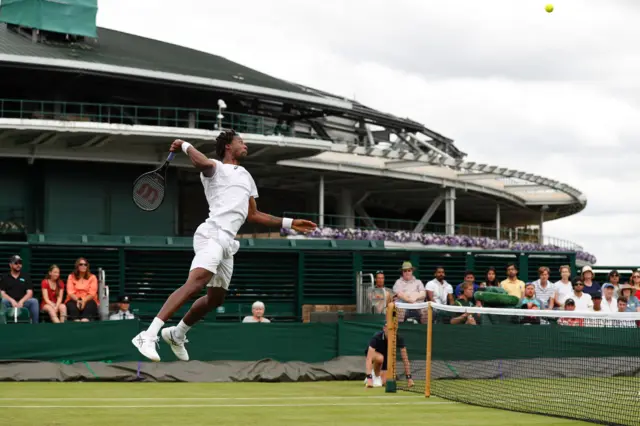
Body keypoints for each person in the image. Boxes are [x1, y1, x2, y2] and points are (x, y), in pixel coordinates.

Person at [132, 130, 316, 362]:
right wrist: (186, 145)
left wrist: (290, 223)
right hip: (212, 235)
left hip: (228, 242)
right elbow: (202, 162)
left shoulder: (246, 176)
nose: (245, 144)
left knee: (216, 298)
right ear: (228, 147)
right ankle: (147, 335)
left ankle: (177, 334)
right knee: (196, 281)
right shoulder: (215, 168)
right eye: (240, 141)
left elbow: (253, 214)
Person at [364, 323, 413, 388]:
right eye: (389, 329)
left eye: (394, 329)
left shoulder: (399, 338)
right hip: (374, 355)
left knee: (385, 382)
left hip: (386, 357)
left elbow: (405, 358)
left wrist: (409, 378)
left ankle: (375, 373)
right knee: (380, 358)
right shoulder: (376, 337)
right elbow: (369, 358)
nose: (392, 331)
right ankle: (374, 376)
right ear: (384, 328)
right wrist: (369, 378)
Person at [0, 255, 38, 324]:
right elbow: (2, 293)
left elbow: (30, 293)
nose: (18, 265)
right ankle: (3, 326)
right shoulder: (5, 277)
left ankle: (35, 325)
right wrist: (12, 301)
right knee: (3, 301)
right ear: (10, 265)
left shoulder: (26, 276)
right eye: (16, 263)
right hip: (10, 302)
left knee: (34, 301)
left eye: (20, 263)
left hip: (23, 302)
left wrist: (21, 301)